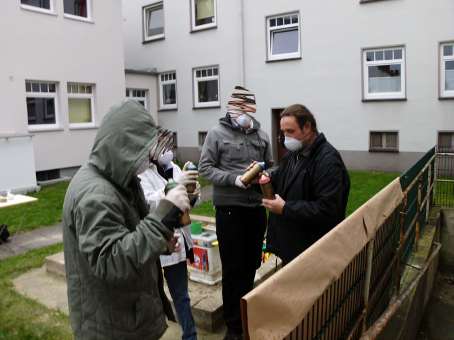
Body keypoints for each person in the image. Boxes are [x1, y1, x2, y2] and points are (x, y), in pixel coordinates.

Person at [62, 100, 190, 340]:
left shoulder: (119, 179)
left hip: (129, 316)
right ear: (123, 146)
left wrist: (159, 243)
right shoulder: (96, 195)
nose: (147, 158)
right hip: (112, 326)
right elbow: (111, 261)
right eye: (142, 150)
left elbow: (129, 234)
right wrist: (164, 214)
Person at [199, 86, 272, 340]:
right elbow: (205, 168)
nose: (243, 114)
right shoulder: (216, 134)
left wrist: (265, 176)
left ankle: (245, 313)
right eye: (239, 108)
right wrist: (234, 179)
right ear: (231, 109)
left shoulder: (261, 135)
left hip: (255, 210)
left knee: (251, 263)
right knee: (232, 267)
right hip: (229, 210)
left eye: (247, 108)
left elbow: (271, 166)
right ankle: (233, 326)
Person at [262, 104, 350, 265]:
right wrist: (264, 177)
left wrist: (285, 208)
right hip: (292, 248)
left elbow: (328, 209)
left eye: (290, 131)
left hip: (313, 252)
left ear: (307, 127)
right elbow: (282, 176)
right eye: (283, 132)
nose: (285, 137)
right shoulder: (296, 153)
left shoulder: (328, 161)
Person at [139, 149, 198, 340]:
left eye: (167, 146)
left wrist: (192, 195)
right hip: (157, 241)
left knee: (181, 295)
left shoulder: (174, 168)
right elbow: (147, 204)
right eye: (160, 147)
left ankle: (190, 336)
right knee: (154, 297)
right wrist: (170, 191)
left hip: (178, 242)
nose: (166, 152)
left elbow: (186, 204)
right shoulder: (142, 173)